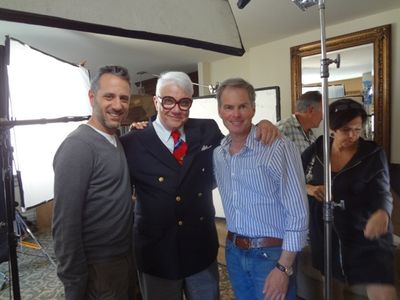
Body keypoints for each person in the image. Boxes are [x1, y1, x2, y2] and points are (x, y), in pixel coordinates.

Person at [120, 71, 279, 300]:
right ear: (156, 101)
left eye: (184, 102)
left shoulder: (207, 129)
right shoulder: (132, 142)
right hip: (157, 252)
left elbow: (236, 146)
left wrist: (261, 124)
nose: (176, 109)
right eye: (168, 101)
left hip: (199, 248)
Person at [213, 78, 309, 300]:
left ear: (253, 109)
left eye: (242, 106)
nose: (235, 114)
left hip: (271, 255)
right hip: (234, 252)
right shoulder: (219, 154)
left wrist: (284, 267)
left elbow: (298, 212)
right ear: (220, 111)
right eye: (229, 107)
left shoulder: (278, 147)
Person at [52, 65, 135, 300]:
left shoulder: (114, 138)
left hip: (123, 258)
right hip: (97, 269)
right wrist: (75, 282)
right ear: (92, 97)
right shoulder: (78, 146)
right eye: (109, 96)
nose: (118, 105)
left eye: (123, 98)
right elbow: (64, 224)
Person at [302, 98, 397, 300]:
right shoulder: (317, 149)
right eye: (346, 129)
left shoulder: (372, 154)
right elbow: (293, 179)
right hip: (326, 229)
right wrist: (309, 188)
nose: (353, 135)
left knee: (380, 286)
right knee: (332, 283)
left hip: (365, 229)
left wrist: (382, 213)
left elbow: (383, 191)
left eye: (357, 129)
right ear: (332, 128)